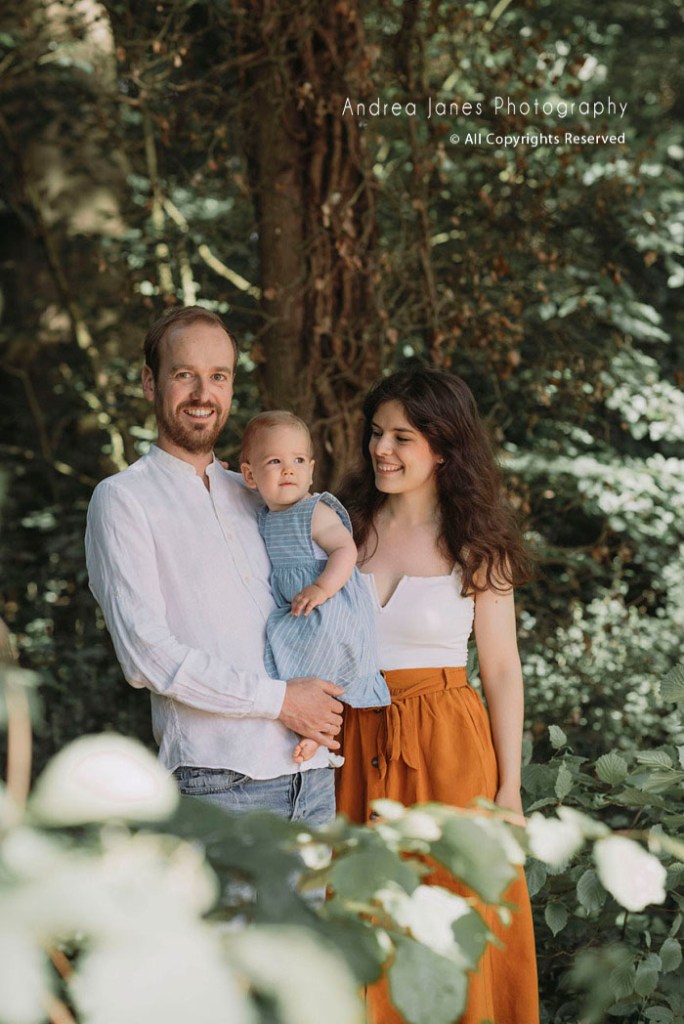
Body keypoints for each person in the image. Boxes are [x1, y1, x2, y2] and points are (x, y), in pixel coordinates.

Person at [85, 306, 344, 826]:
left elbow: (318, 597)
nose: (204, 394)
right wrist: (281, 702)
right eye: (185, 375)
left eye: (218, 377)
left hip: (312, 776)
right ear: (149, 382)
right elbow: (146, 656)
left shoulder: (255, 491)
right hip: (219, 786)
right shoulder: (123, 500)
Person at [336, 367, 539, 1024]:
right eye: (376, 434)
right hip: (349, 739)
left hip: (447, 745)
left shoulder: (478, 545)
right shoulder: (341, 526)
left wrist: (508, 790)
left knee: (446, 911)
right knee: (353, 915)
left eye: (402, 436)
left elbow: (502, 669)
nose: (381, 450)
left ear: (444, 448)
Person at [239, 410, 390, 763]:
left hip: (331, 607)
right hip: (304, 611)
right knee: (296, 669)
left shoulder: (314, 510)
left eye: (297, 460)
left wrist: (322, 588)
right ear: (249, 475)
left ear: (310, 469)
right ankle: (315, 734)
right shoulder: (267, 517)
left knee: (314, 662)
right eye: (274, 461)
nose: (288, 469)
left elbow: (345, 549)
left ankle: (321, 732)